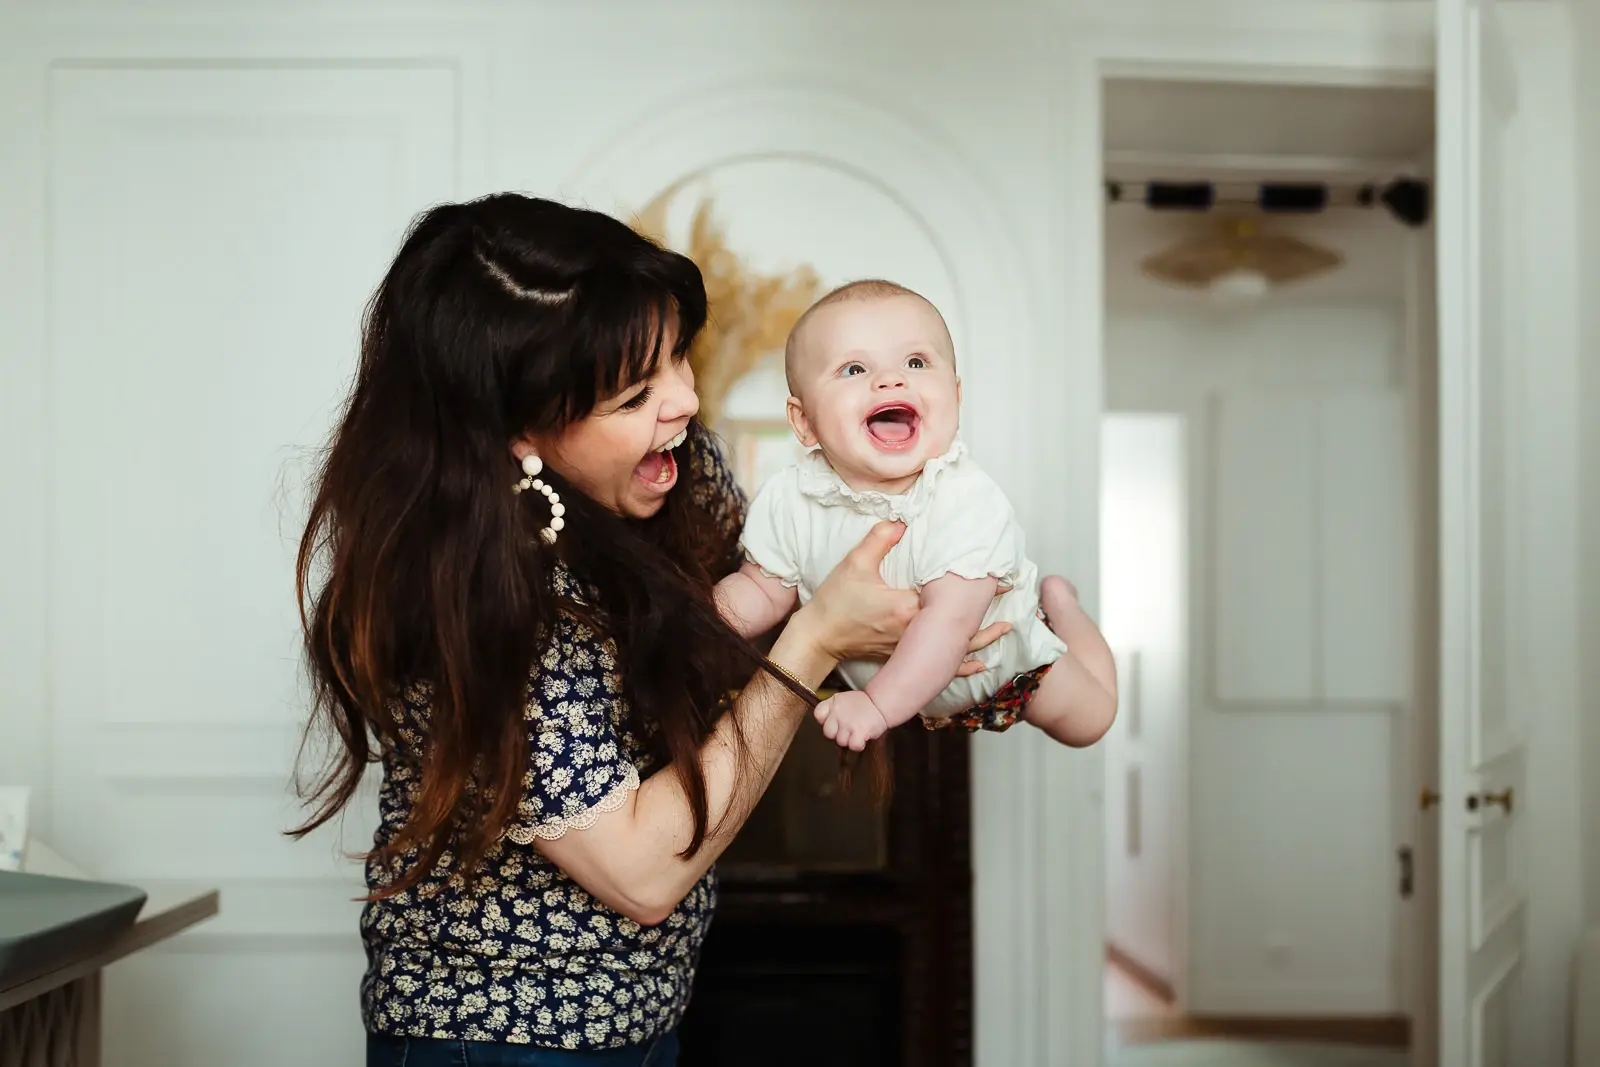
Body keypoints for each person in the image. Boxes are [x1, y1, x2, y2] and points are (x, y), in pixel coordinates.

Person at [289, 196, 1008, 1067]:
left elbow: (767, 603)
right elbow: (641, 873)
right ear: (516, 431)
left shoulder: (669, 466)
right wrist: (816, 643)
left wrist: (942, 640)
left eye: (678, 357)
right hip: (500, 1039)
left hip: (647, 1017)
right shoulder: (458, 597)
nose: (683, 400)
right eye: (636, 392)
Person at [714, 279, 1118, 751]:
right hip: (910, 690)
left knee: (1092, 720)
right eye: (854, 368)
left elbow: (947, 624)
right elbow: (762, 590)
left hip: (1007, 670)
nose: (890, 379)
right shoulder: (790, 499)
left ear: (956, 397)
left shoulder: (964, 500)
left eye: (916, 362)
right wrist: (693, 617)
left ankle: (1062, 607)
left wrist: (877, 707)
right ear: (804, 421)